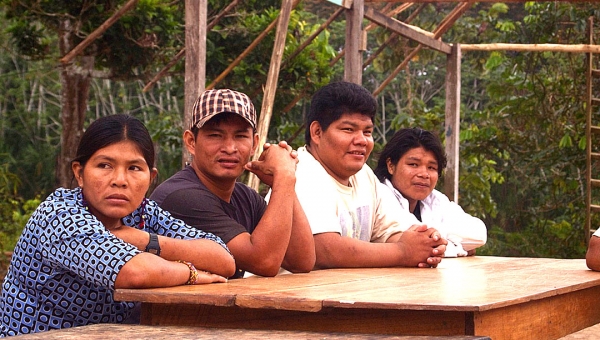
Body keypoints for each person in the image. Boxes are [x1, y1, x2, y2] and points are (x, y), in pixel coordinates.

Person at [0, 114, 235, 337]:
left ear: (151, 178)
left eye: (134, 168)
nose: (120, 180)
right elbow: (135, 271)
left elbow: (223, 259)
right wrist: (192, 272)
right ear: (79, 173)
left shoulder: (142, 214)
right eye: (104, 165)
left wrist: (143, 239)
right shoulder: (59, 215)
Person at [150, 89, 315, 278]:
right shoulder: (182, 197)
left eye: (240, 136)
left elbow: (301, 260)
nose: (229, 148)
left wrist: (282, 183)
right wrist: (285, 175)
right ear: (191, 142)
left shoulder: (245, 196)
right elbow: (264, 261)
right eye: (215, 135)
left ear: (254, 144)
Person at [293, 81, 447, 269]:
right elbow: (325, 249)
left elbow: (390, 232)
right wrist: (404, 252)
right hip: (291, 296)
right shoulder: (302, 172)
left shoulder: (363, 175)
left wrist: (425, 245)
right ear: (317, 132)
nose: (361, 141)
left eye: (367, 132)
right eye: (348, 129)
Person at [373, 127, 487, 257]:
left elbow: (479, 234)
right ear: (391, 165)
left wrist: (438, 241)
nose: (424, 174)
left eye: (431, 167)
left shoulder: (434, 199)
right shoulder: (379, 193)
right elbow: (421, 246)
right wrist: (458, 248)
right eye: (413, 164)